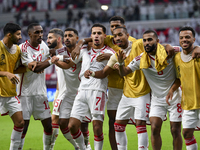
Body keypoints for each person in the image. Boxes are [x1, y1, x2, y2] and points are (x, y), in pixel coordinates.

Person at [113, 29, 183, 150]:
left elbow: (189, 50)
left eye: (150, 40)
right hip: (157, 98)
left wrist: (196, 48)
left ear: (157, 41)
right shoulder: (141, 59)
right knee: (154, 128)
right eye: (144, 40)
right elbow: (124, 72)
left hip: (174, 95)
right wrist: (120, 63)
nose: (146, 43)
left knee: (175, 130)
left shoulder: (170, 51)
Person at [67, 23, 115, 150]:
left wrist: (111, 57)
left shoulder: (109, 52)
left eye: (99, 33)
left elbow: (117, 61)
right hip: (82, 90)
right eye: (94, 33)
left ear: (105, 36)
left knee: (97, 128)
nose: (96, 36)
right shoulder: (84, 50)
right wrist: (54, 58)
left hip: (98, 91)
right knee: (72, 125)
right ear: (91, 36)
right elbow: (70, 61)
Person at [48, 28, 91, 150]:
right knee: (62, 123)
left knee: (83, 126)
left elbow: (67, 64)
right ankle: (78, 146)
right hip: (67, 93)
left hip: (82, 93)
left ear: (77, 38)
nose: (67, 37)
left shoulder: (84, 49)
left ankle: (87, 146)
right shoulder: (59, 51)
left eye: (70, 35)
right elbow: (52, 54)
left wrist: (81, 42)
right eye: (65, 35)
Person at [17, 23, 53, 150]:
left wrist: (44, 63)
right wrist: (47, 62)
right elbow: (34, 68)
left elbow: (48, 55)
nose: (40, 35)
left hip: (40, 93)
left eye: (41, 32)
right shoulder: (23, 48)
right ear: (30, 34)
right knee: (23, 127)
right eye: (37, 32)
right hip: (25, 94)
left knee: (49, 126)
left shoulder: (43, 45)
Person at [167, 26, 200, 150]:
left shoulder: (198, 53)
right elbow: (179, 78)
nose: (184, 40)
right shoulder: (176, 58)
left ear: (194, 39)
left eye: (187, 37)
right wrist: (172, 89)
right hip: (188, 103)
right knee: (186, 133)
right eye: (181, 38)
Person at [0, 23, 24, 150]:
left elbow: (17, 68)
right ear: (9, 35)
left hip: (9, 92)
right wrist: (6, 73)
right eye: (18, 34)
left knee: (20, 123)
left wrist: (33, 67)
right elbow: (8, 71)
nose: (20, 37)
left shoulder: (18, 50)